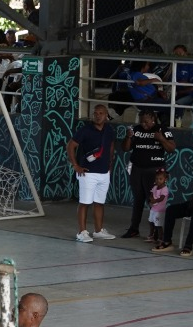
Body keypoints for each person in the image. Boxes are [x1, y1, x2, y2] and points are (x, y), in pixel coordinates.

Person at [121, 110, 173, 241]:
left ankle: (156, 231)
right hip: (137, 169)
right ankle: (134, 229)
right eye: (141, 121)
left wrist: (161, 139)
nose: (144, 124)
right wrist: (128, 137)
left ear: (153, 119)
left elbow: (171, 148)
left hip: (154, 171)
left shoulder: (162, 129)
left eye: (146, 122)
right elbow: (126, 149)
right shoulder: (136, 130)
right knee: (138, 199)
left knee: (154, 201)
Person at [68, 104, 115, 243]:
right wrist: (75, 165)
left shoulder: (109, 130)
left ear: (106, 115)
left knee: (99, 202)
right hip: (88, 173)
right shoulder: (85, 130)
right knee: (85, 202)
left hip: (104, 172)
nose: (98, 115)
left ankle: (98, 230)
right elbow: (70, 145)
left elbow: (111, 146)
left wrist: (110, 164)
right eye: (95, 113)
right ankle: (81, 232)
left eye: (101, 113)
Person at [147, 170, 171, 250]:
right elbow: (151, 194)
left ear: (165, 179)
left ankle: (161, 238)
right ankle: (151, 236)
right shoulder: (155, 187)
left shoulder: (164, 189)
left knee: (158, 225)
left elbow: (162, 198)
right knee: (151, 222)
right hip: (153, 209)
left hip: (160, 210)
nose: (158, 180)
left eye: (160, 179)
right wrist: (150, 200)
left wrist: (155, 200)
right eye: (156, 179)